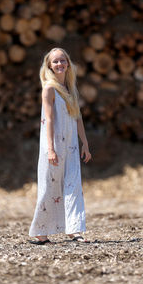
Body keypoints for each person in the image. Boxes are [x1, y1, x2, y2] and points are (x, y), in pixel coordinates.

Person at [29, 47, 92, 245]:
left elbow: (78, 117)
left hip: (72, 147)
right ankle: (40, 232)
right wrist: (50, 149)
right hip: (54, 145)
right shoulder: (49, 89)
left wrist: (85, 144)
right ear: (49, 65)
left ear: (68, 63)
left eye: (62, 60)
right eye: (55, 61)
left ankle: (74, 230)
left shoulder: (70, 89)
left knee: (73, 186)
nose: (59, 64)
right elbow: (47, 120)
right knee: (50, 186)